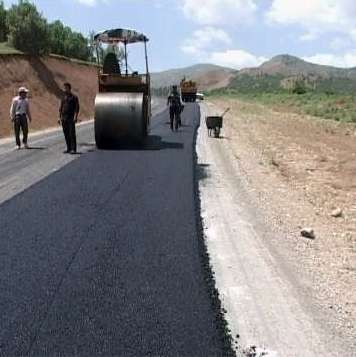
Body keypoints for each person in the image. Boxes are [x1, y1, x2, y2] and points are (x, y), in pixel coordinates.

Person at [59, 82, 80, 154]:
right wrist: (59, 118)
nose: (65, 89)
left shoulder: (74, 97)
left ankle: (73, 149)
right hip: (64, 118)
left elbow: (77, 108)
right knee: (66, 133)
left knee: (71, 134)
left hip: (71, 118)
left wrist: (75, 117)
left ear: (69, 88)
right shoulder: (63, 97)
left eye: (66, 88)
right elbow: (61, 108)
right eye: (64, 88)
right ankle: (68, 148)